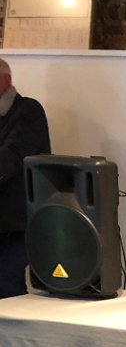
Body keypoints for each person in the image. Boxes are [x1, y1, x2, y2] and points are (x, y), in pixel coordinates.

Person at [0, 59, 51, 299]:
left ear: (5, 81)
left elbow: (10, 158)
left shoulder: (28, 111)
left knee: (7, 289)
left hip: (14, 225)